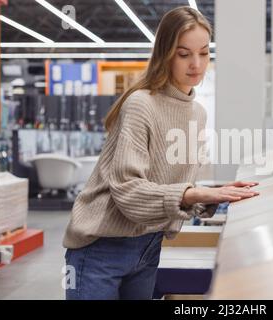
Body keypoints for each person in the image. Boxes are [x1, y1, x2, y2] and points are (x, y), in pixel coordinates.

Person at [63, 6, 259, 300]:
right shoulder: (141, 104)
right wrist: (193, 194)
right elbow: (128, 191)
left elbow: (172, 189)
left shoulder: (197, 114)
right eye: (184, 54)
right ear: (165, 53)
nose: (196, 64)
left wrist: (214, 194)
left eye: (204, 53)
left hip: (148, 247)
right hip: (100, 250)